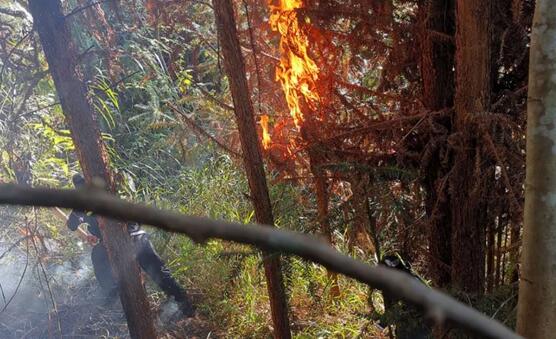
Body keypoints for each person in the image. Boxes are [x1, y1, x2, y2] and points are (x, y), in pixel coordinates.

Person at [67, 174, 195, 317]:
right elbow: (72, 225)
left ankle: (184, 305)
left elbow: (72, 224)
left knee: (157, 273)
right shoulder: (94, 200)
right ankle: (183, 305)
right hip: (129, 241)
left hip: (132, 240)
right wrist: (86, 233)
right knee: (158, 274)